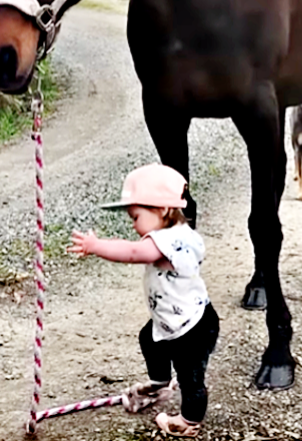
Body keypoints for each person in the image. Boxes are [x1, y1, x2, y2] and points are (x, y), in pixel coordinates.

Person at [68, 163, 218, 438]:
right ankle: (160, 382)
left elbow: (135, 252)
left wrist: (96, 246)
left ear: (162, 210)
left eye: (136, 217)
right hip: (173, 320)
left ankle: (189, 420)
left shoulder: (170, 240)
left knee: (190, 375)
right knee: (149, 340)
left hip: (192, 327)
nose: (135, 226)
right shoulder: (177, 235)